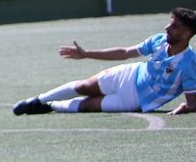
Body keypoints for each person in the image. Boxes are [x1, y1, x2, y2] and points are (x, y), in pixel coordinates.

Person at [13, 8, 196, 116]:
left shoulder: (189, 63)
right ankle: (38, 100)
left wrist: (186, 108)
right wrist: (86, 54)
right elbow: (125, 52)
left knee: (87, 105)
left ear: (187, 33)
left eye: (174, 26)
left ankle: (50, 106)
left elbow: (192, 101)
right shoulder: (159, 40)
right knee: (84, 86)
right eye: (169, 23)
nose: (167, 28)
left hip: (134, 100)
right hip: (130, 74)